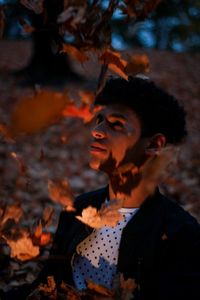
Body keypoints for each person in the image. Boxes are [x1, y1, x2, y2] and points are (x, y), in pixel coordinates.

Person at [3, 76, 200, 300]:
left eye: (116, 124)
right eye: (99, 120)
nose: (97, 130)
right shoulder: (79, 209)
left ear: (155, 145)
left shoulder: (179, 232)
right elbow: (45, 286)